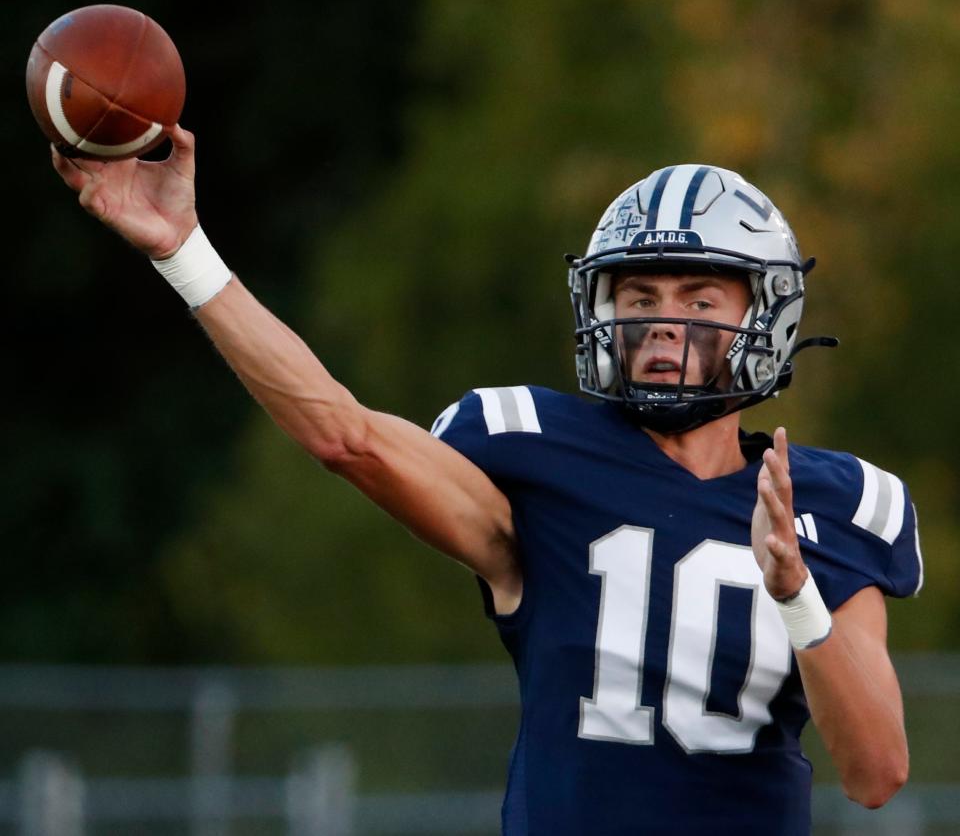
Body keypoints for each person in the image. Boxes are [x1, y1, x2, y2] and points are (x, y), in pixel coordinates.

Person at [52, 131, 921, 835]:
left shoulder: (833, 505)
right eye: (638, 292)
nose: (661, 321)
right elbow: (346, 436)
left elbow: (876, 773)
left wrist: (794, 590)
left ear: (763, 316)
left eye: (700, 299)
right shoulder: (539, 456)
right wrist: (185, 252)